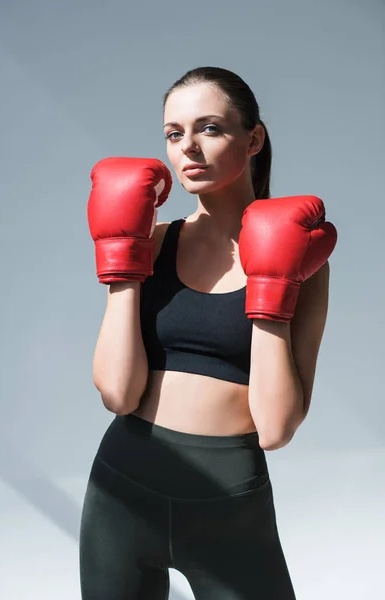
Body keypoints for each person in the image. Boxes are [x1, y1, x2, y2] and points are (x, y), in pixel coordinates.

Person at [80, 66, 337, 600]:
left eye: (210, 128)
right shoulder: (148, 241)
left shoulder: (302, 258)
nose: (189, 147)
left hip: (228, 504)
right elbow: (117, 393)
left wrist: (269, 289)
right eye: (175, 134)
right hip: (122, 486)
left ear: (254, 138)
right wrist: (124, 266)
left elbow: (275, 428)